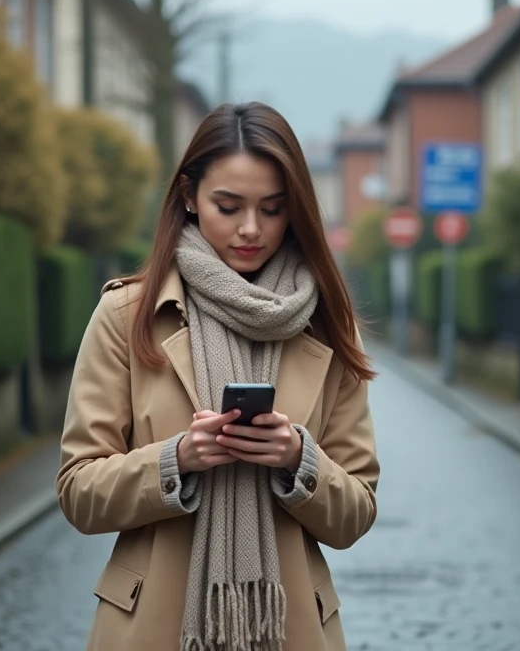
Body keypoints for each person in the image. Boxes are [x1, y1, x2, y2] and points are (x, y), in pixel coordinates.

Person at [57, 102, 381, 651]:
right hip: (154, 630)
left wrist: (297, 458)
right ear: (188, 195)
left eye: (273, 209)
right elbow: (78, 491)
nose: (251, 229)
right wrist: (176, 459)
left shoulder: (326, 324)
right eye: (228, 206)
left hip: (288, 629)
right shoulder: (127, 316)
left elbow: (356, 513)